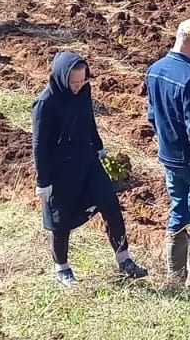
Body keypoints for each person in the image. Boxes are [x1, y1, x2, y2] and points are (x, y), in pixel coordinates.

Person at [33, 52, 148, 285]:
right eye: (72, 82)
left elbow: (88, 120)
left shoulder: (84, 91)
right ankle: (62, 268)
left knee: (110, 203)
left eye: (81, 81)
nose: (77, 87)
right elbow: (39, 145)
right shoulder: (45, 104)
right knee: (60, 221)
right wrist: (43, 181)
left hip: (86, 161)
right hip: (60, 170)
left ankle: (124, 259)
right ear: (60, 77)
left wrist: (98, 147)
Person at [145, 18, 190, 285]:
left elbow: (152, 115)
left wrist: (167, 143)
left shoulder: (154, 70)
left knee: (178, 210)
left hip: (169, 157)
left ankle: (174, 273)